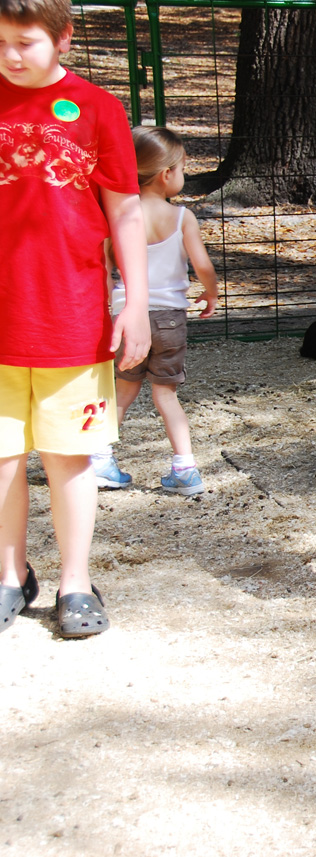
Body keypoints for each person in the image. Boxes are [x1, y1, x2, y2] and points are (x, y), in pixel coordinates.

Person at [0, 0, 150, 638]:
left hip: (70, 315)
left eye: (25, 42)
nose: (10, 54)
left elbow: (125, 213)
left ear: (62, 39)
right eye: (0, 41)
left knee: (68, 457)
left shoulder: (97, 108)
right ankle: (10, 575)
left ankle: (75, 583)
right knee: (3, 458)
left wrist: (136, 303)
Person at [92, 126, 219, 496]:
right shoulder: (181, 218)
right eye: (182, 168)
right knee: (166, 396)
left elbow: (104, 269)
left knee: (124, 390)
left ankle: (100, 460)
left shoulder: (113, 215)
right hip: (169, 319)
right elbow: (204, 267)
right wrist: (210, 294)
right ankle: (185, 469)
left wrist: (107, 308)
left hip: (126, 316)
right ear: (167, 174)